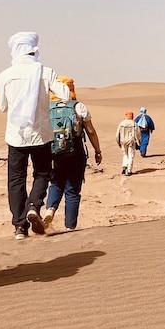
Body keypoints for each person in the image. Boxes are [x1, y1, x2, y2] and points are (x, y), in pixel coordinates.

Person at [0, 32, 69, 240]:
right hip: (41, 134)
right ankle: (34, 206)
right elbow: (64, 95)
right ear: (34, 49)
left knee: (16, 179)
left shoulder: (5, 75)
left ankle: (20, 227)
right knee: (42, 174)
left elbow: (2, 106)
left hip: (16, 136)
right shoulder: (45, 72)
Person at [41, 77, 103, 233]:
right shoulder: (78, 106)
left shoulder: (46, 107)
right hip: (75, 151)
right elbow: (90, 131)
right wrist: (97, 151)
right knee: (72, 189)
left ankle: (50, 210)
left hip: (53, 151)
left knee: (56, 182)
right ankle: (70, 226)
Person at [116, 111, 143, 176]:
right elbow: (138, 133)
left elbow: (117, 134)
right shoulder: (134, 123)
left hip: (123, 141)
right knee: (131, 155)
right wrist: (139, 142)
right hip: (131, 141)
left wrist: (118, 142)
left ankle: (124, 166)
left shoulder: (121, 123)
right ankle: (129, 170)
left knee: (125, 155)